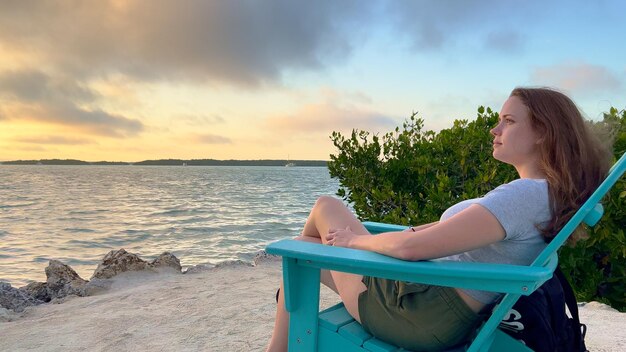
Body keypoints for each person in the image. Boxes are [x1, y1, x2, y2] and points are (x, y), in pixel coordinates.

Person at [265, 87, 611, 352]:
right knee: (300, 250)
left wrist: (356, 241)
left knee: (324, 207)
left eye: (509, 121)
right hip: (428, 300)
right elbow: (440, 234)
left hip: (416, 311)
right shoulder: (539, 194)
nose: (494, 129)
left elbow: (413, 249)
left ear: (543, 133)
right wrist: (397, 235)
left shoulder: (525, 196)